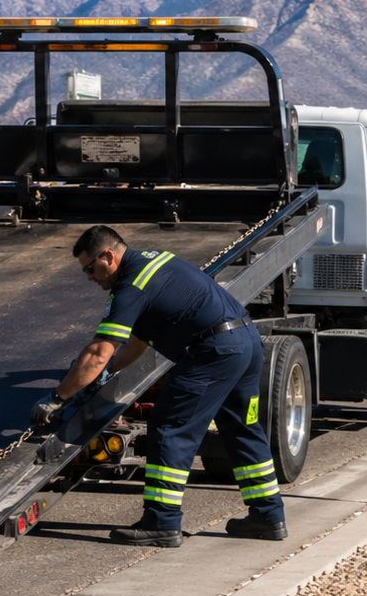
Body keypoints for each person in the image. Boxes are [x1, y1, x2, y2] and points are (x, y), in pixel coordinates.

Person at [29, 225, 287, 548]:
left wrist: (57, 397)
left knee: (168, 428)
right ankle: (268, 516)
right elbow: (136, 344)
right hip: (245, 342)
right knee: (243, 429)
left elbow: (98, 352)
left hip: (213, 352)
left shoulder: (130, 286)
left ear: (108, 256)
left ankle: (161, 523)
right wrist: (106, 374)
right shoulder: (155, 263)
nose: (90, 278)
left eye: (89, 269)